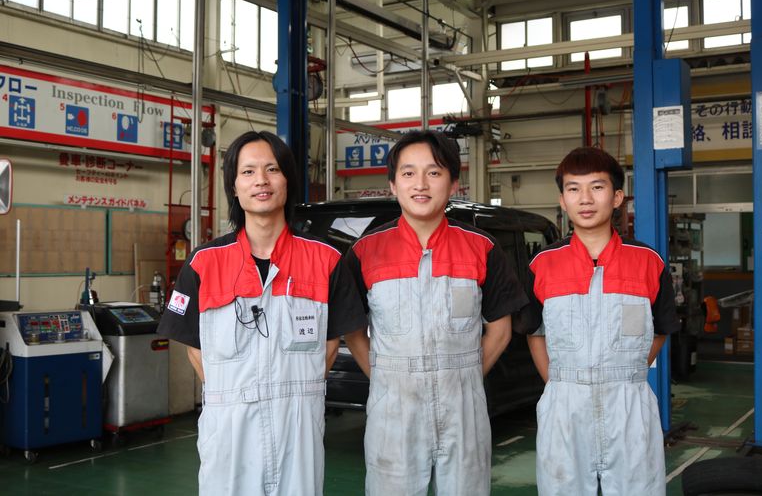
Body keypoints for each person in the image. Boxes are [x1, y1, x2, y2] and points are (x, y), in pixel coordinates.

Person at [157, 131, 366, 496]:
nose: (261, 181)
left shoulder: (327, 260)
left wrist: (292, 394)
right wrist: (234, 393)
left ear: (288, 180)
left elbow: (330, 345)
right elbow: (195, 347)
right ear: (234, 186)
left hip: (297, 426)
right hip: (229, 426)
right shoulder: (204, 263)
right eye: (248, 171)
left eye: (272, 169)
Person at [343, 130, 529, 496]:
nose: (421, 184)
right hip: (393, 408)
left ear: (453, 183)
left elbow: (501, 330)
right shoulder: (365, 251)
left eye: (434, 172)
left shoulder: (482, 248)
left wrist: (464, 376)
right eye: (408, 173)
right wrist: (384, 377)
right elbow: (353, 329)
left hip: (463, 407)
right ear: (393, 185)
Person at [520, 146, 680, 496]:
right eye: (574, 189)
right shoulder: (543, 264)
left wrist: (626, 372)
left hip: (629, 403)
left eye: (597, 187)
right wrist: (558, 384)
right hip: (565, 402)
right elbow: (535, 332)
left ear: (617, 197)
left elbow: (660, 329)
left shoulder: (648, 262)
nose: (586, 199)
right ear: (562, 201)